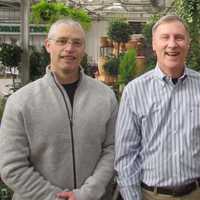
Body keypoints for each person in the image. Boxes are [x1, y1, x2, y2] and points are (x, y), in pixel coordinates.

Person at [0, 19, 118, 200]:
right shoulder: (21, 102)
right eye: (62, 41)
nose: (69, 48)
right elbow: (11, 165)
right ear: (48, 45)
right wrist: (53, 197)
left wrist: (87, 194)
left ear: (83, 48)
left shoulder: (105, 97)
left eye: (76, 42)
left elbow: (112, 149)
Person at [115, 14, 200, 200]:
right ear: (154, 44)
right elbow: (126, 155)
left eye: (179, 37)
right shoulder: (134, 92)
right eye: (165, 37)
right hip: (151, 195)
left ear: (188, 43)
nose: (172, 44)